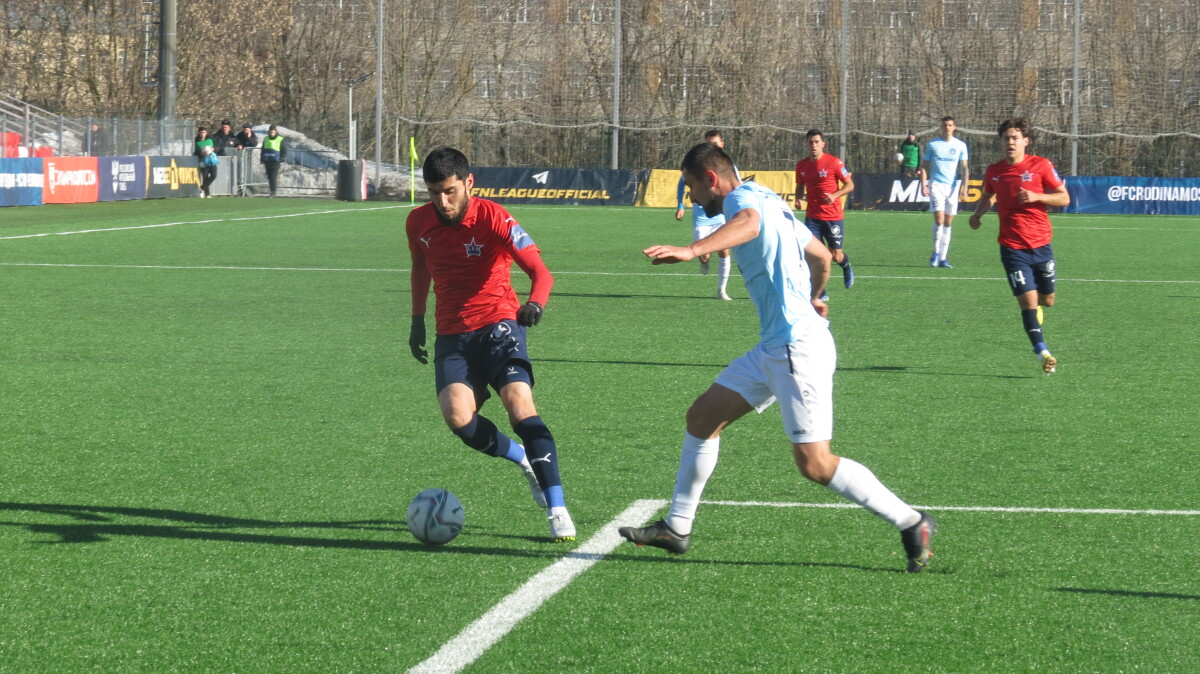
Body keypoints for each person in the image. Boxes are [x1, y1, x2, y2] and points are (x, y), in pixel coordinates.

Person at [621, 142, 937, 572]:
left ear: (711, 178)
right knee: (702, 417)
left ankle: (912, 522)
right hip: (777, 345)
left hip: (795, 349)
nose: (692, 197)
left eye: (692, 187)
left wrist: (692, 250)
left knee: (816, 464)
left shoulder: (742, 202)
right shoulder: (769, 197)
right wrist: (815, 296)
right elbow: (821, 256)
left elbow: (748, 225)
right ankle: (677, 528)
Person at [407, 147, 575, 542]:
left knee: (519, 403)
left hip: (500, 323)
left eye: (449, 191)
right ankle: (525, 461)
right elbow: (420, 266)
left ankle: (557, 508)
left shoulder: (495, 217)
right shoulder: (417, 222)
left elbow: (540, 272)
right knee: (458, 418)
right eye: (434, 193)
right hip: (452, 333)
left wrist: (536, 303)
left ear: (469, 183)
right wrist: (416, 320)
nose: (442, 202)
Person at [969, 118, 1069, 374]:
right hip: (1012, 247)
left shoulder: (1041, 165)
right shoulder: (994, 171)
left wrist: (1037, 196)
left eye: (1015, 138)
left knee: (1048, 300)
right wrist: (978, 214)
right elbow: (988, 195)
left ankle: (1039, 309)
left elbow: (1064, 198)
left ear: (1026, 141)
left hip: (1041, 244)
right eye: (1006, 138)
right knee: (1027, 302)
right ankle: (1043, 353)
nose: (1010, 142)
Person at [676, 129, 737, 300]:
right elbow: (682, 183)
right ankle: (704, 261)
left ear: (722, 144)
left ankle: (722, 290)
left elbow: (737, 187)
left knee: (724, 251)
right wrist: (680, 205)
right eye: (710, 144)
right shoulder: (697, 167)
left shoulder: (729, 167)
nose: (713, 147)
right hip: (702, 219)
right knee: (704, 256)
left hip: (721, 217)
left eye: (715, 144)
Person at [795, 129, 855, 296]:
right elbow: (800, 186)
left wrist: (834, 195)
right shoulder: (802, 165)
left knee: (836, 255)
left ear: (823, 144)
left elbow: (850, 185)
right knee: (813, 255)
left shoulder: (834, 163)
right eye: (810, 142)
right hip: (812, 217)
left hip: (832, 217)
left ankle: (846, 266)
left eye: (816, 142)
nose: (813, 145)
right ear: (807, 144)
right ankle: (820, 291)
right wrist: (798, 198)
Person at [920, 116, 970, 268]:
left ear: (954, 127)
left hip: (952, 187)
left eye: (949, 125)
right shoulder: (933, 145)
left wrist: (965, 187)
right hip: (936, 185)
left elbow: (965, 168)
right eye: (944, 125)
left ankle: (943, 258)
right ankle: (935, 252)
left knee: (948, 222)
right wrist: (923, 184)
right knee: (940, 220)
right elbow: (924, 166)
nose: (947, 127)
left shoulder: (960, 145)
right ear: (941, 127)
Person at [260, 125, 286, 198]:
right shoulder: (266, 138)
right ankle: (272, 191)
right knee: (269, 177)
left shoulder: (280, 139)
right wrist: (262, 159)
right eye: (270, 132)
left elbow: (284, 150)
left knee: (273, 177)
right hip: (267, 160)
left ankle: (273, 192)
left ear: (276, 132)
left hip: (275, 161)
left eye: (273, 132)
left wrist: (281, 159)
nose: (271, 133)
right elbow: (263, 149)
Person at [193, 126, 217, 198]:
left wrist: (213, 149)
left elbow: (217, 146)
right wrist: (201, 153)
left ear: (206, 133)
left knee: (214, 175)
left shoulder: (210, 139)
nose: (202, 134)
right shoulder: (196, 141)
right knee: (205, 177)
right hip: (203, 161)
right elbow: (195, 151)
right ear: (198, 133)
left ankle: (202, 188)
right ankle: (207, 194)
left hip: (211, 160)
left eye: (204, 132)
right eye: (201, 132)